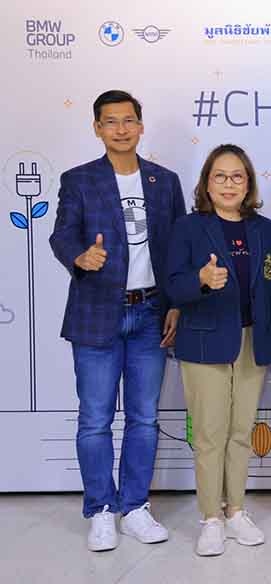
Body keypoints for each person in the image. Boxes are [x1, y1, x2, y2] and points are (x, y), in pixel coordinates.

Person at [49, 90, 185, 552]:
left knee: (145, 417)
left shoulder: (164, 182)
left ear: (141, 126)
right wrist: (79, 256)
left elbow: (179, 248)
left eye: (129, 121)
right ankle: (101, 509)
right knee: (95, 419)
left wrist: (175, 304)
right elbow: (62, 234)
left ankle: (136, 507)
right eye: (111, 122)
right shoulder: (79, 180)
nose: (121, 129)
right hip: (96, 312)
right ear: (97, 128)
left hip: (151, 312)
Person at [167, 144, 271, 556]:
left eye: (237, 176)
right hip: (204, 342)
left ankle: (236, 510)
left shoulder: (265, 229)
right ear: (207, 183)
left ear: (248, 183)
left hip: (253, 343)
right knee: (210, 434)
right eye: (219, 176)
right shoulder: (188, 227)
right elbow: (172, 287)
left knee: (241, 432)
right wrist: (200, 280)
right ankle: (210, 518)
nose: (228, 184)